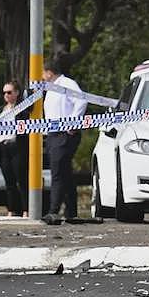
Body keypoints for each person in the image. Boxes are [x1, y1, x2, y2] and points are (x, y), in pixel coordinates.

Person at [41, 60, 87, 225]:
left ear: (49, 73)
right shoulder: (51, 88)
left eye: (43, 73)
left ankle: (53, 211)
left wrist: (73, 124)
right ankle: (71, 211)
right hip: (53, 134)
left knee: (58, 172)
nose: (42, 77)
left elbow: (81, 101)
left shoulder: (67, 84)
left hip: (65, 134)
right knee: (65, 173)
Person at [0, 80, 28, 217]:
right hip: (4, 148)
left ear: (16, 93)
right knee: (9, 181)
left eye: (9, 92)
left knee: (21, 180)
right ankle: (11, 209)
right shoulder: (2, 110)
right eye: (4, 92)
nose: (6, 95)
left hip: (17, 147)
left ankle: (26, 209)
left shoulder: (22, 109)